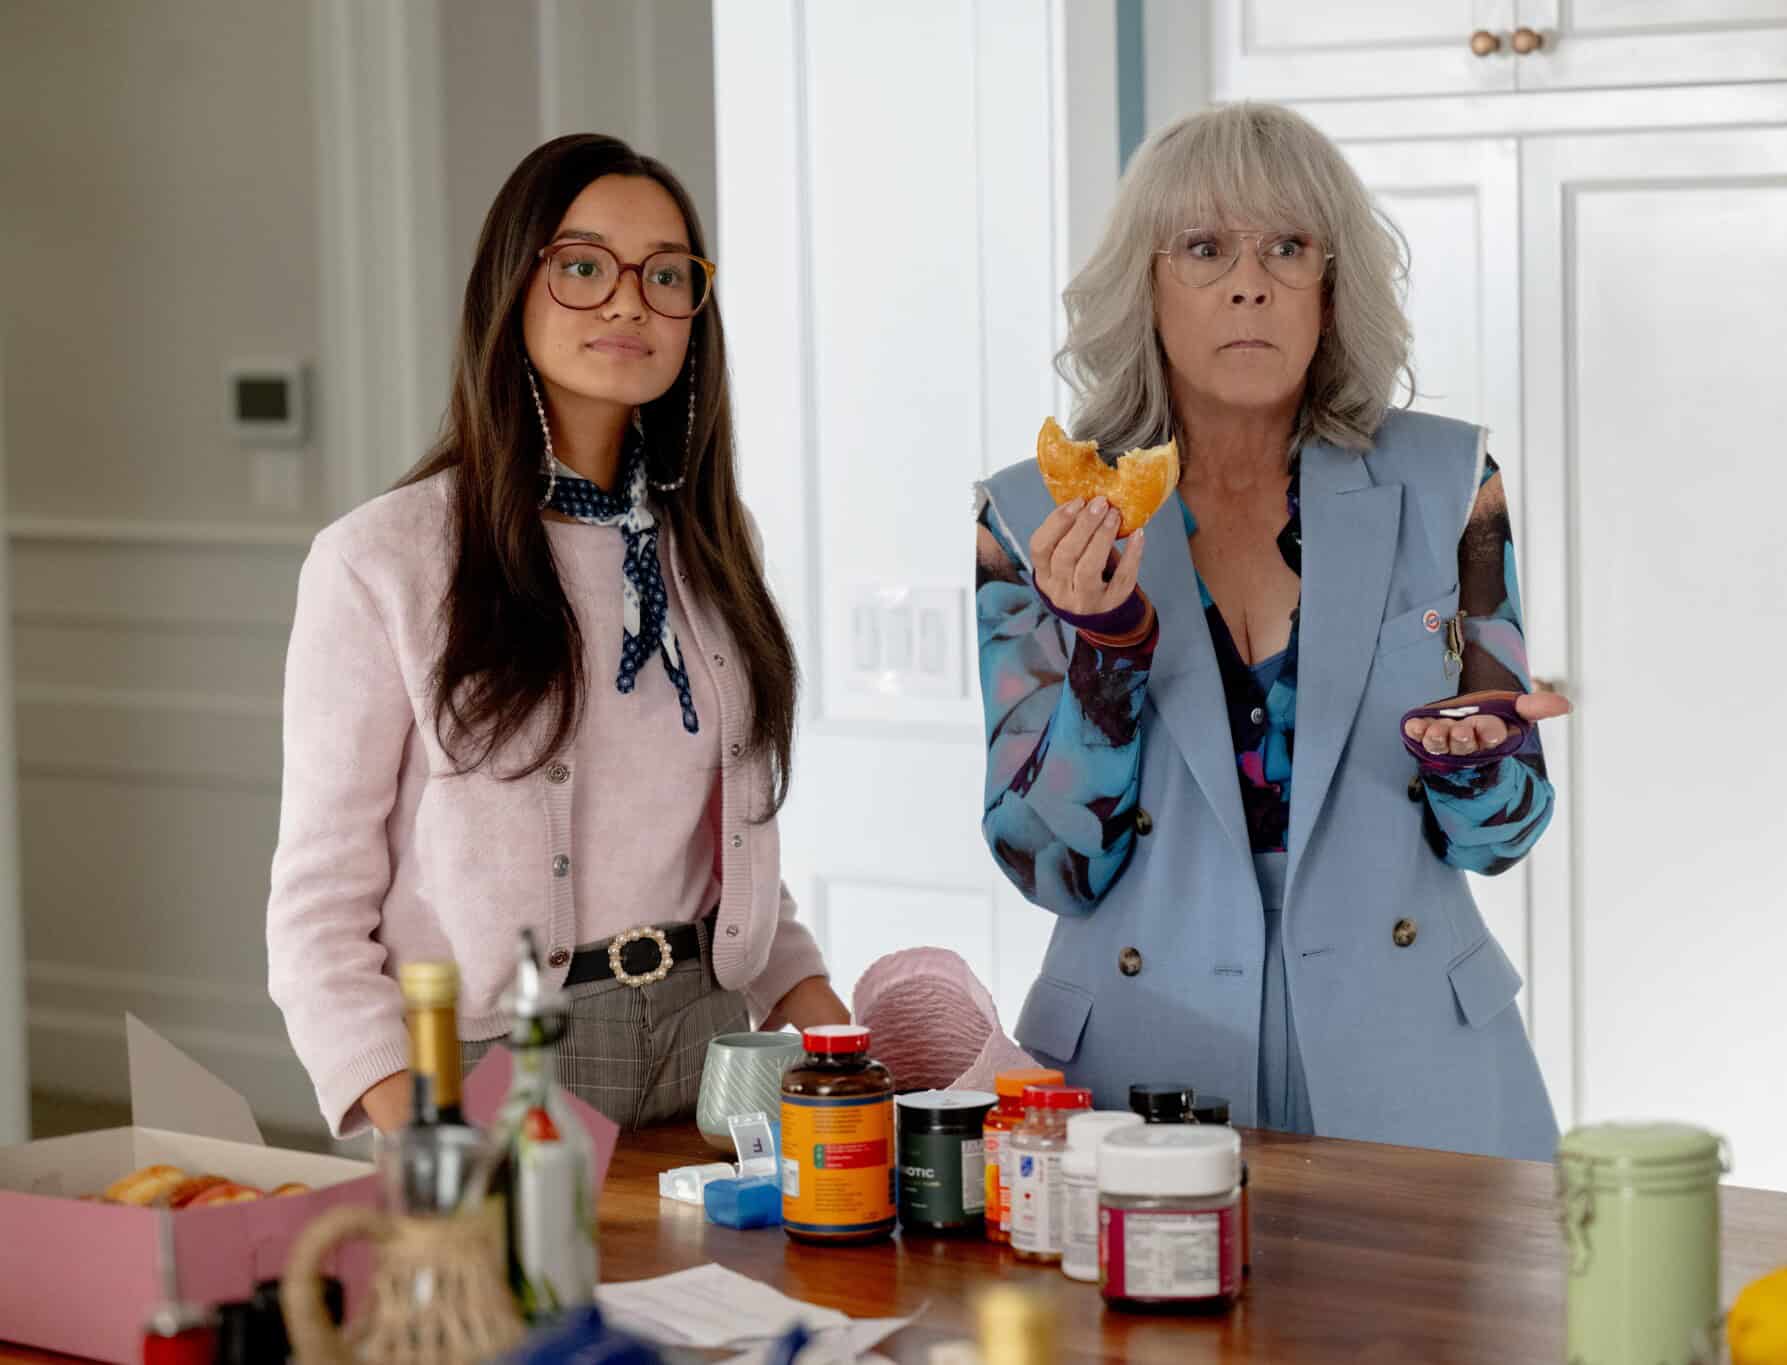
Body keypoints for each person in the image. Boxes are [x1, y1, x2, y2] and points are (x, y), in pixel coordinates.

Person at [973, 103, 1572, 1158]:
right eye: (1203, 247)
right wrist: (1107, 652)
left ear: (1331, 288)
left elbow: (1502, 837)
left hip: (1420, 1073)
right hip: (1139, 1079)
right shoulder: (1034, 515)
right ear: (1145, 287)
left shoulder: (1447, 481)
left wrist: (1483, 762)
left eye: (1286, 247)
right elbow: (1046, 869)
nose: (1248, 283)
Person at [269, 134, 847, 1137]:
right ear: (512, 288)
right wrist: (420, 1129)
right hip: (495, 1069)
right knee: (524, 1303)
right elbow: (317, 907)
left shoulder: (711, 541)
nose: (629, 302)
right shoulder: (381, 560)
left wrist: (837, 1042)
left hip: (716, 1052)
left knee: (739, 1301)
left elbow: (724, 857)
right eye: (582, 267)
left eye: (666, 275)